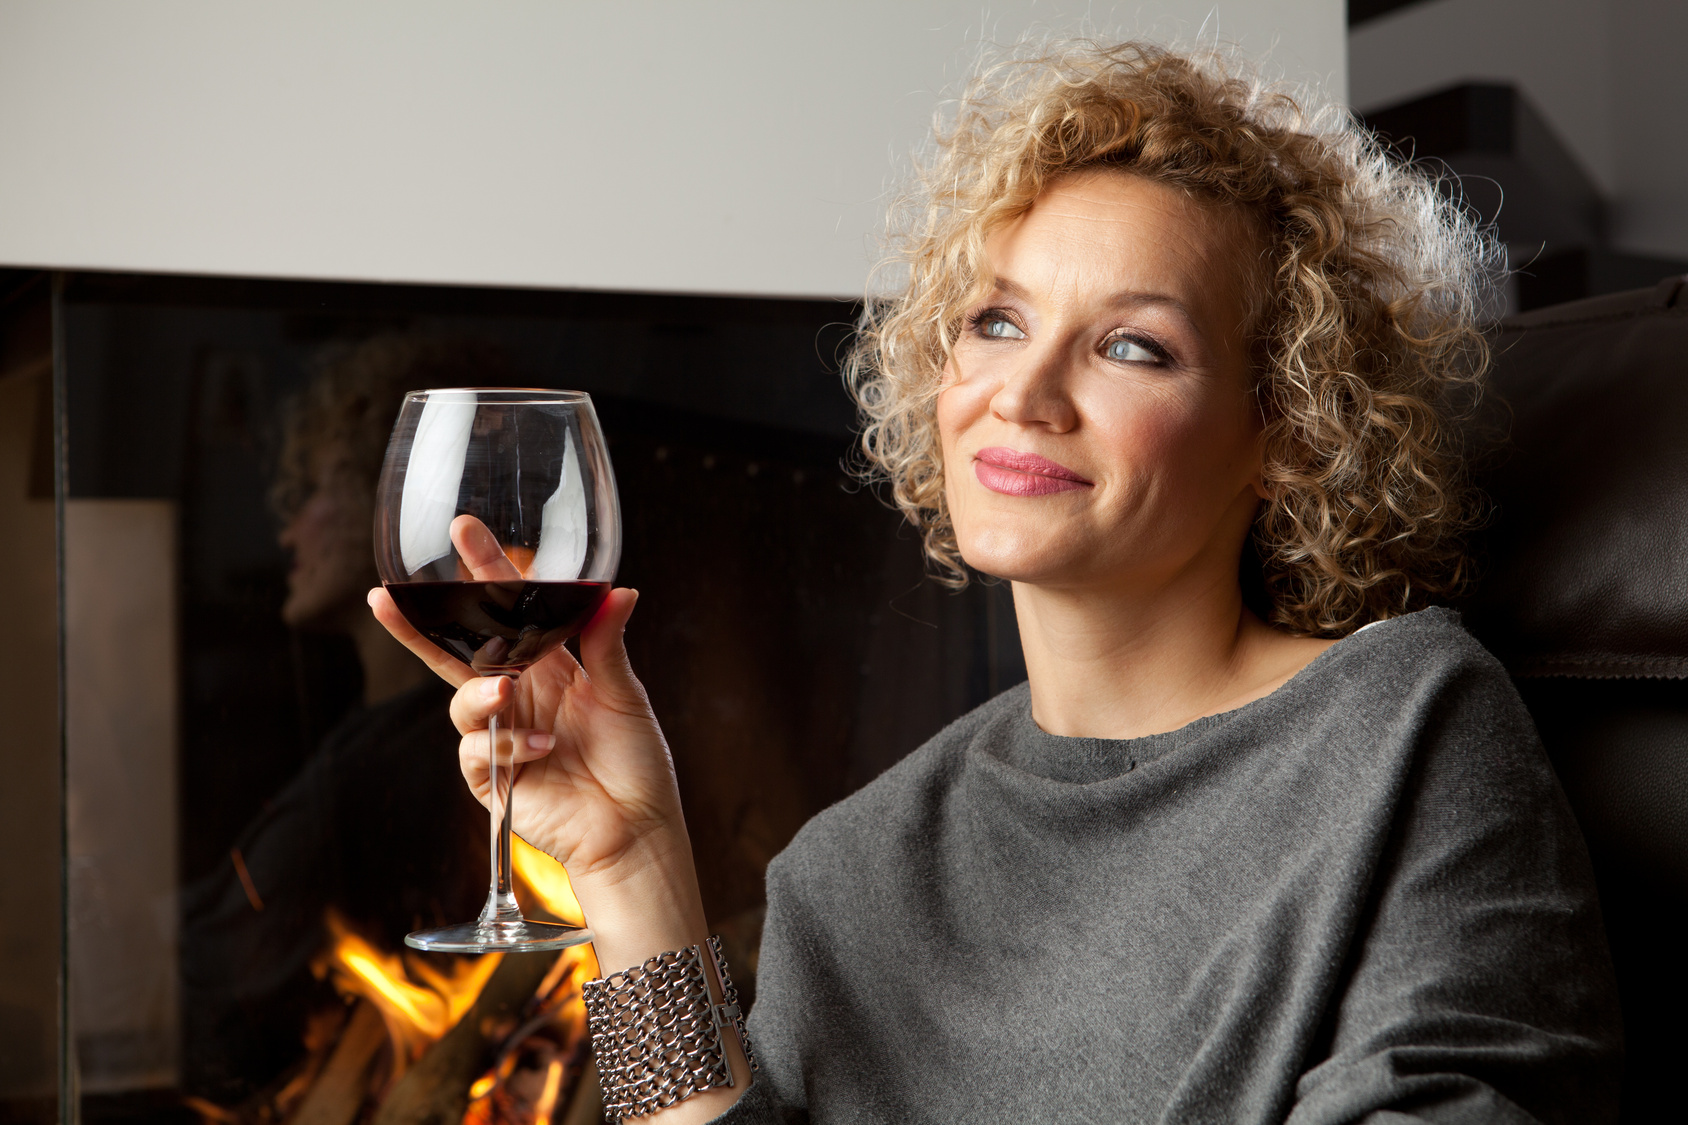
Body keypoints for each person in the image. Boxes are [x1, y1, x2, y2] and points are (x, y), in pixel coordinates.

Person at [370, 41, 1621, 1123]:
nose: (1020, 394)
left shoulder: (1401, 729)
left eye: (1131, 345)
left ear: (1287, 431)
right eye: (995, 322)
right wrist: (629, 864)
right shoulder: (850, 869)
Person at [182, 334, 503, 1102]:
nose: (285, 531)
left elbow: (216, 978)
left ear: (406, 501)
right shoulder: (369, 730)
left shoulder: (422, 762)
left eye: (314, 488)